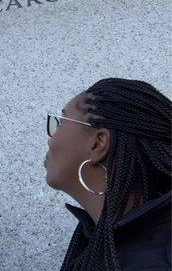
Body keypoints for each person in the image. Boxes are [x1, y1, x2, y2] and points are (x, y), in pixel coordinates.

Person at [44, 78, 171, 271]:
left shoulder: (156, 259)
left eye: (60, 123)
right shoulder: (96, 245)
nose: (50, 141)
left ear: (98, 144)